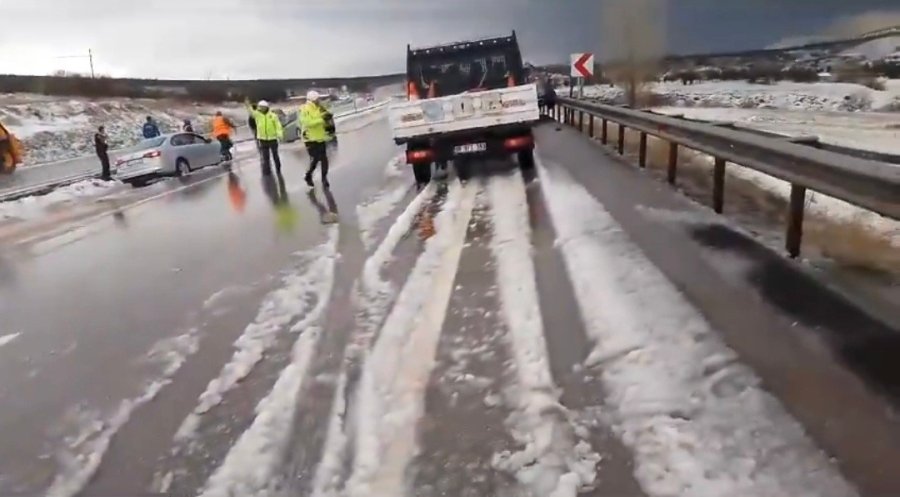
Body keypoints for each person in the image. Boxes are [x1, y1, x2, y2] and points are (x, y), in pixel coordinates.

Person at [299, 90, 334, 188]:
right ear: (313, 100)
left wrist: (327, 117)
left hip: (320, 137)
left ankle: (324, 178)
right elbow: (307, 123)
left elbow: (326, 116)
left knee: (324, 159)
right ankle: (308, 175)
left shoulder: (319, 108)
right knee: (315, 159)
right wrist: (321, 119)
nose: (319, 100)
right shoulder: (304, 109)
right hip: (309, 138)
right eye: (318, 99)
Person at [246, 99, 284, 175]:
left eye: (262, 107)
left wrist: (279, 134)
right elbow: (251, 112)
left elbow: (278, 126)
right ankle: (267, 171)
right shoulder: (258, 115)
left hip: (272, 138)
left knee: (275, 155)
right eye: (260, 107)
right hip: (263, 139)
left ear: (266, 107)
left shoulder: (272, 116)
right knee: (265, 156)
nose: (260, 108)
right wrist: (248, 105)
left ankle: (278, 168)